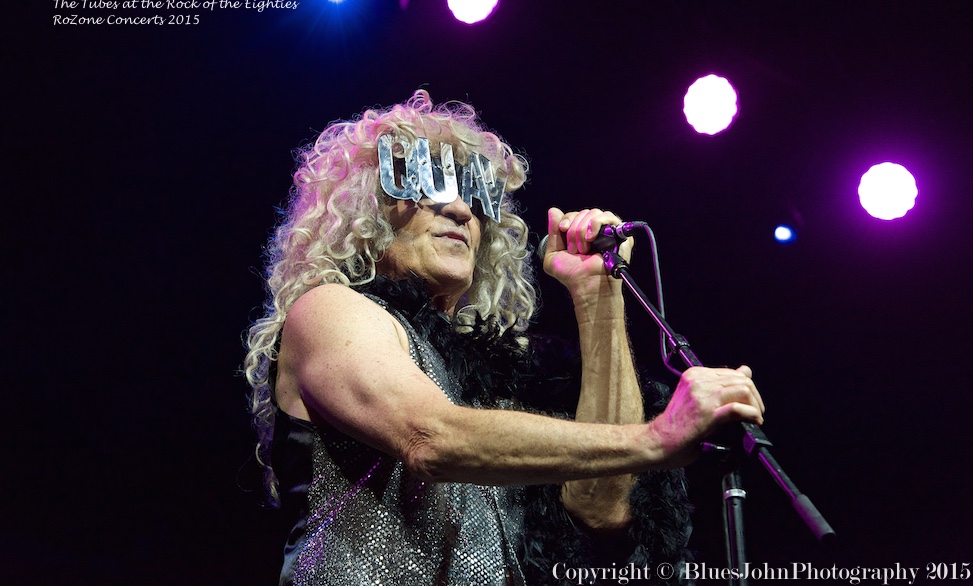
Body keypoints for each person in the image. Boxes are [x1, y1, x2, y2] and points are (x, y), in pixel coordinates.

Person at [243, 90, 765, 585]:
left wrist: (596, 296)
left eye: (472, 195)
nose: (461, 211)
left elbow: (602, 506)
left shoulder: (491, 379)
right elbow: (430, 437)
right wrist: (659, 437)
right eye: (423, 186)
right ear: (365, 211)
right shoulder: (329, 310)